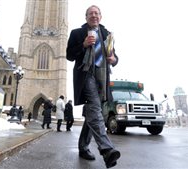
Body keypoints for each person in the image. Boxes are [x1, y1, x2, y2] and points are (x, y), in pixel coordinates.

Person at [66, 5, 120, 168]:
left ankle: (83, 147)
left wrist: (114, 59)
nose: (94, 16)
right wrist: (83, 44)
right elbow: (69, 55)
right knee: (95, 107)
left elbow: (115, 56)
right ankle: (107, 149)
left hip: (102, 77)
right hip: (86, 73)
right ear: (86, 17)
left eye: (96, 13)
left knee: (94, 112)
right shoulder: (77, 33)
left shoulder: (107, 34)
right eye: (91, 14)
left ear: (100, 17)